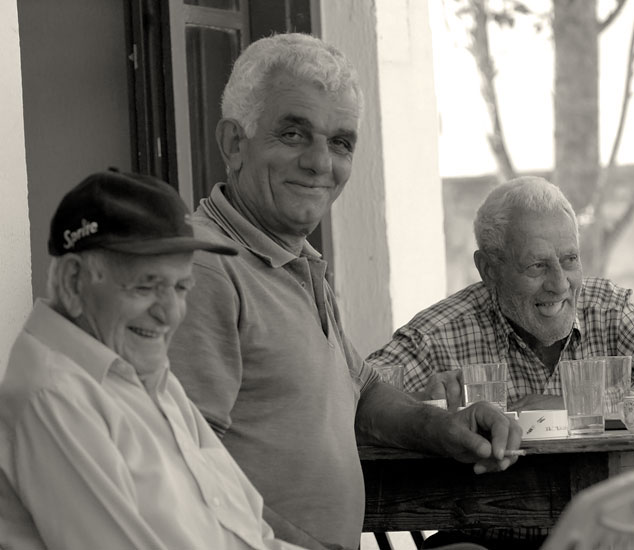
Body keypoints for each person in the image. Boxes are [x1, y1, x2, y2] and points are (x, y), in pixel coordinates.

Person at [167, 32, 522, 550]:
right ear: (234, 144)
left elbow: (363, 393)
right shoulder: (203, 267)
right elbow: (186, 469)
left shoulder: (295, 259)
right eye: (293, 134)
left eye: (340, 143)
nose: (320, 163)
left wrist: (445, 428)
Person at [365, 175, 634, 549]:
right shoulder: (439, 332)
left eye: (569, 259)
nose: (559, 283)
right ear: (489, 269)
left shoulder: (607, 310)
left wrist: (580, 406)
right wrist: (424, 410)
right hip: (480, 537)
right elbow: (353, 398)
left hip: (600, 540)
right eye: (537, 266)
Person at [0, 170, 313, 550]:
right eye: (147, 286)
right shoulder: (54, 394)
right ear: (73, 282)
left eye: (181, 287)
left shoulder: (146, 375)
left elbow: (249, 533)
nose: (170, 313)